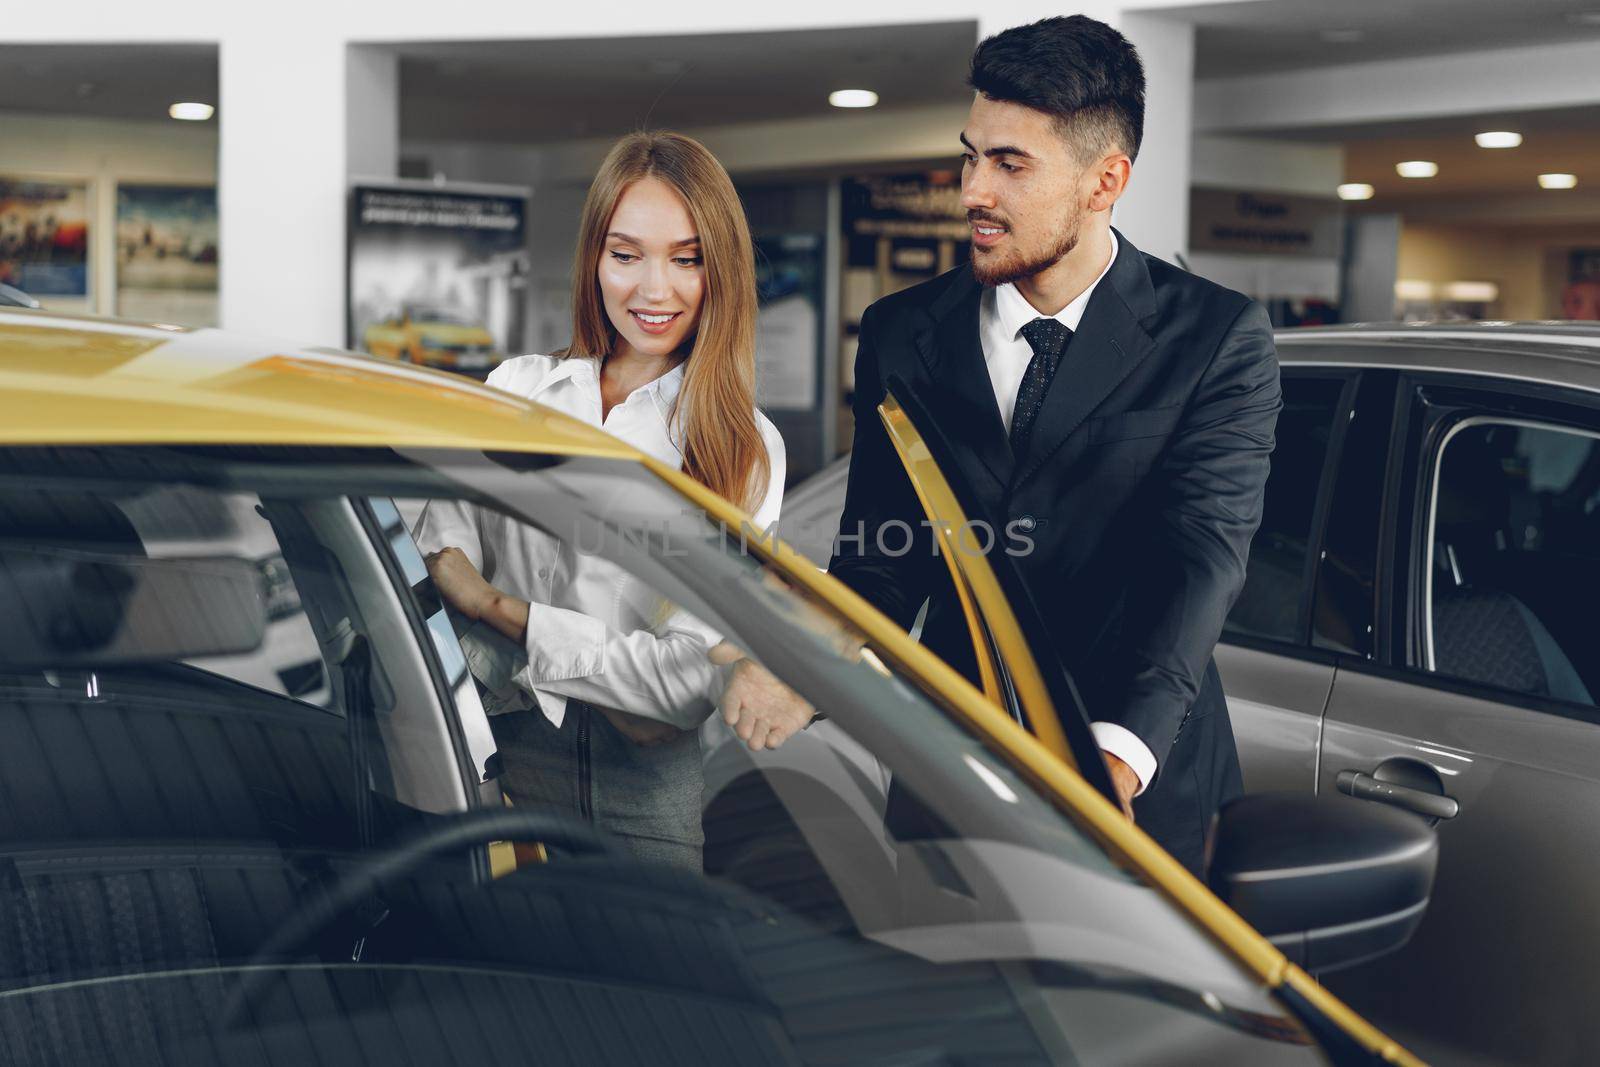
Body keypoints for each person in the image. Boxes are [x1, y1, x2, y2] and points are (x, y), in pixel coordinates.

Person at [827, 16, 1280, 876]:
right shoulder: (899, 333)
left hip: (1141, 791)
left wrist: (1110, 758)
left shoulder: (1216, 338)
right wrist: (808, 658)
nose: (970, 191)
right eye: (971, 155)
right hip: (952, 774)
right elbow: (883, 557)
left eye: (1009, 164)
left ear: (1105, 180)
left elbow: (1199, 561)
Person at [417, 131, 812, 871]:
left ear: (719, 269)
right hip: (490, 749)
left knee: (652, 984)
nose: (653, 290)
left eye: (686, 258)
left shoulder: (742, 446)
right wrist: (483, 603)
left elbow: (678, 689)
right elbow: (436, 550)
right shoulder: (517, 390)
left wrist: (495, 609)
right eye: (626, 254)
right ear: (594, 259)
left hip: (645, 792)